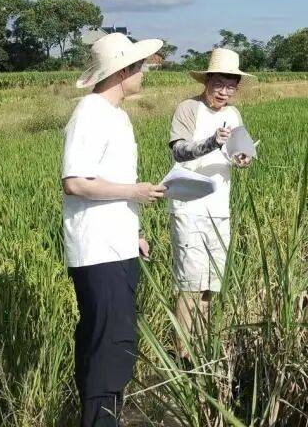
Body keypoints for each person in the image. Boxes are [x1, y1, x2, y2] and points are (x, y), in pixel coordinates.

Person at [61, 31, 166, 427]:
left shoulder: (116, 115)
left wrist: (132, 232)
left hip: (117, 245)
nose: (144, 74)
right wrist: (135, 191)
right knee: (109, 348)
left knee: (112, 344)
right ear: (123, 71)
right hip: (97, 252)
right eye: (140, 67)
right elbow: (76, 182)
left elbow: (107, 181)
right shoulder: (89, 113)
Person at [166, 47, 253, 359]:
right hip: (189, 206)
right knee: (189, 284)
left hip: (219, 208)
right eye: (219, 84)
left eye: (231, 86)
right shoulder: (188, 109)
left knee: (209, 287)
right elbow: (178, 152)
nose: (224, 92)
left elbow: (239, 152)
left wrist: (242, 158)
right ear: (207, 81)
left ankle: (200, 349)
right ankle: (181, 356)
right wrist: (211, 142)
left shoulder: (233, 115)